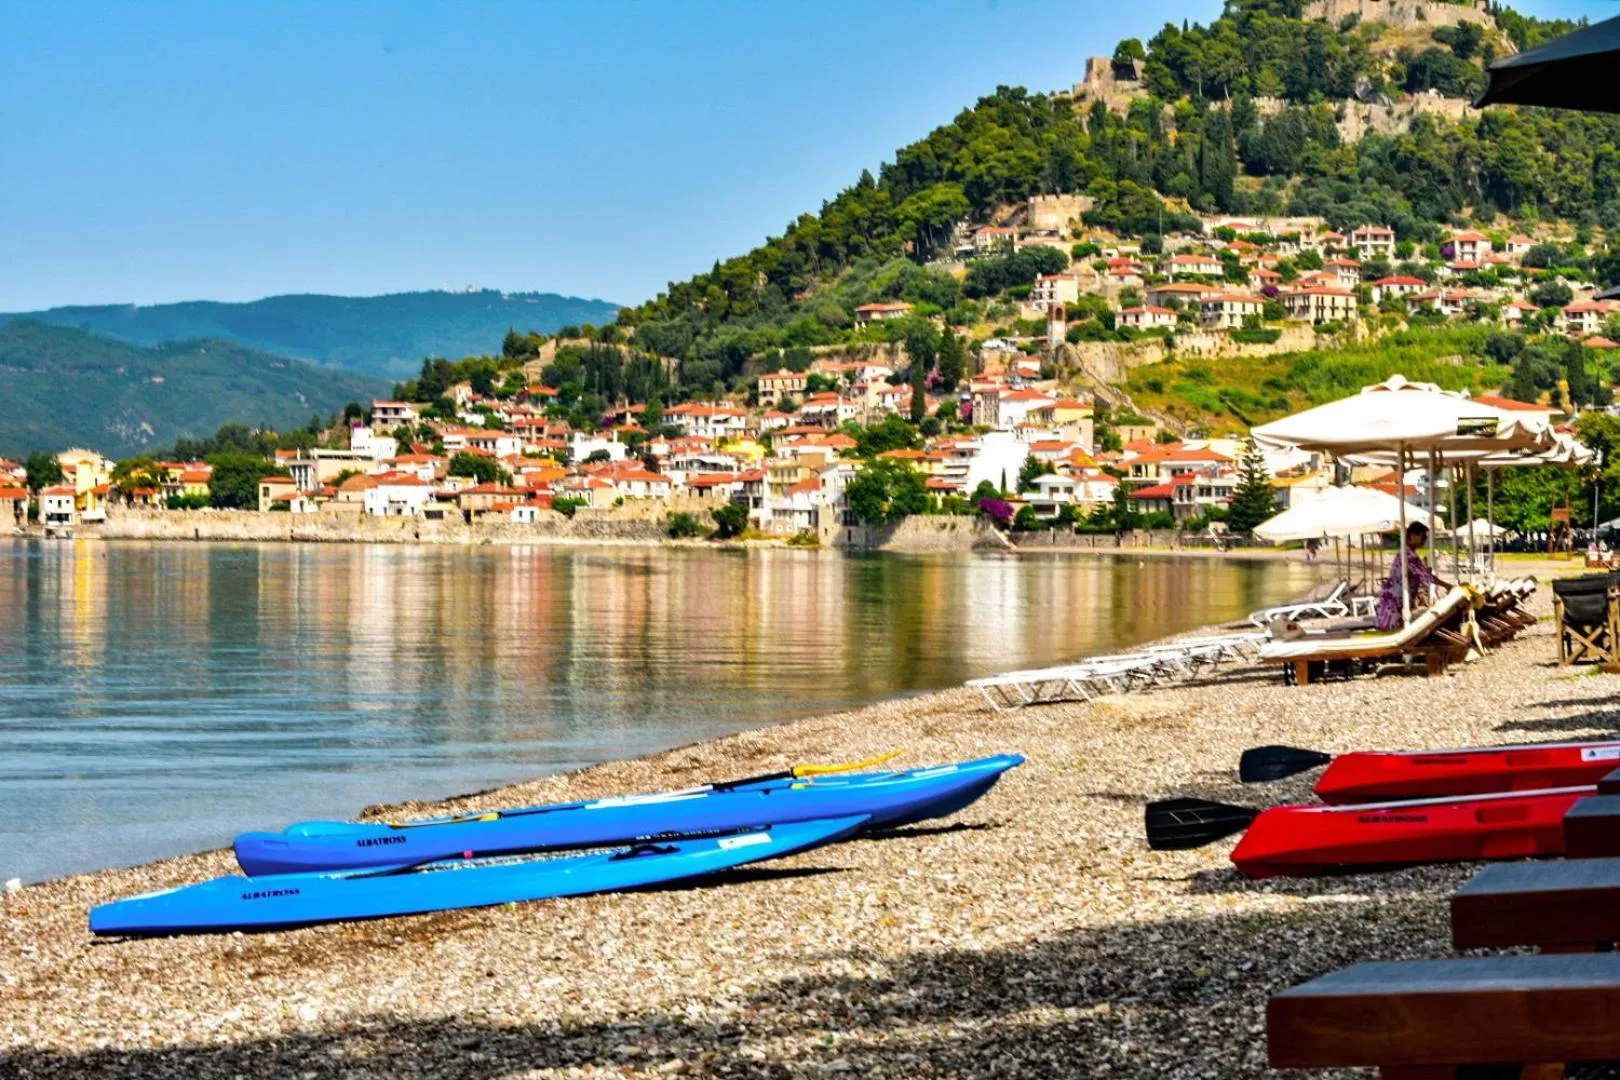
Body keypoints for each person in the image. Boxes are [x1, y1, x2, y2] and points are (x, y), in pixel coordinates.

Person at [1375, 522, 1451, 631]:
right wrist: (1447, 585)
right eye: (1423, 537)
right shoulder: (1409, 555)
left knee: (1393, 629)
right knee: (1392, 630)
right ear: (1413, 535)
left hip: (1395, 598)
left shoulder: (1407, 553)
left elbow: (1421, 573)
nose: (1424, 540)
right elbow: (1426, 577)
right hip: (1395, 600)